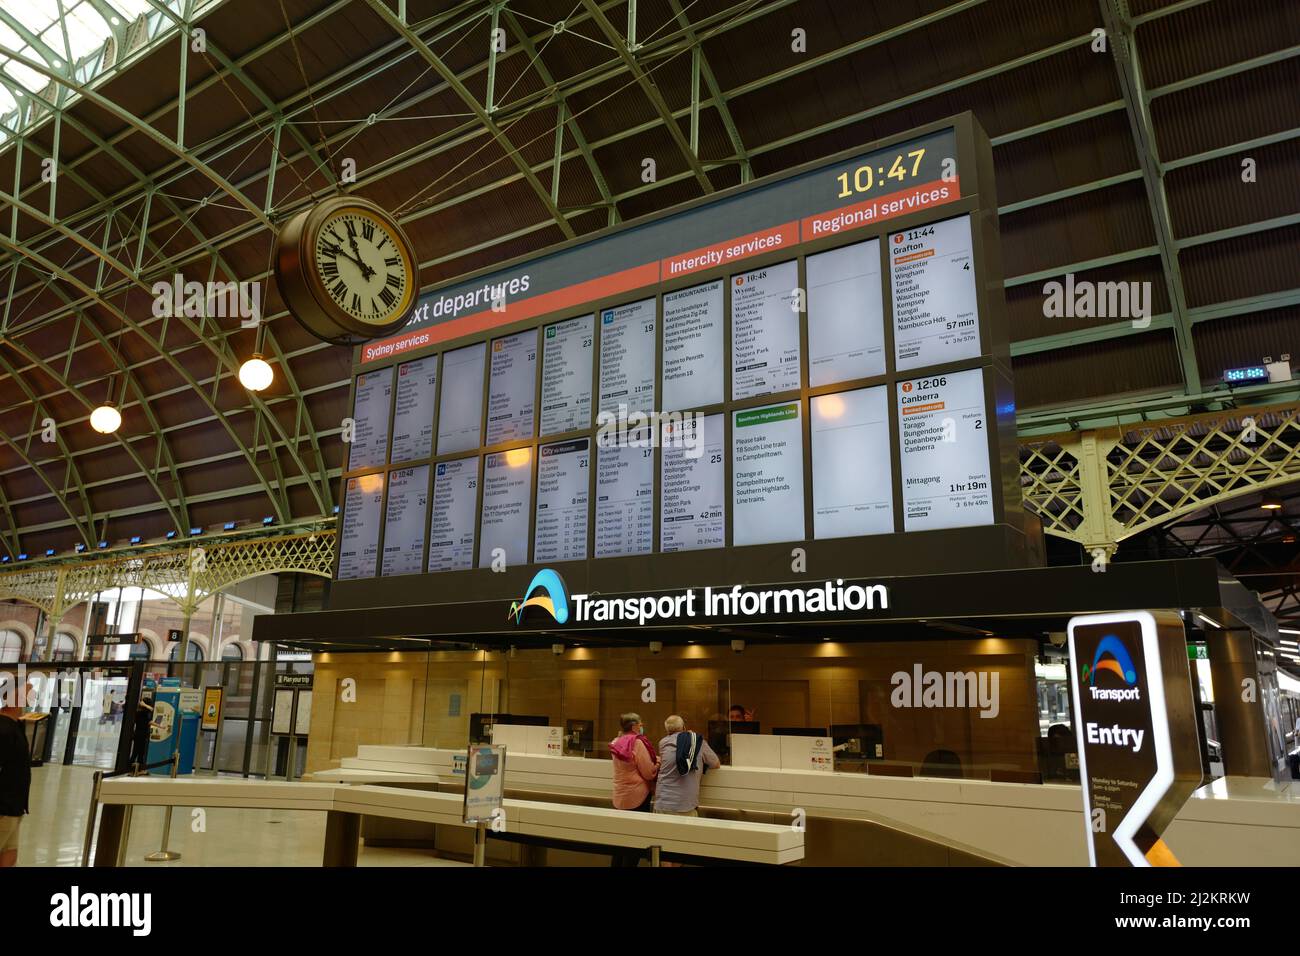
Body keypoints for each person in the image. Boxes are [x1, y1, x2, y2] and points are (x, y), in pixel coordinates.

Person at [609, 712, 658, 867]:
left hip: (619, 797)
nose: (642, 726)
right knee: (635, 840)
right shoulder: (637, 743)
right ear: (634, 725)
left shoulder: (616, 741)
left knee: (619, 841)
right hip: (637, 797)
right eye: (640, 723)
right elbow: (648, 772)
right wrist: (658, 764)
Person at [655, 715, 719, 819]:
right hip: (685, 803)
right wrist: (693, 737)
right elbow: (715, 763)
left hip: (663, 801)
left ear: (667, 731)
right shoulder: (698, 742)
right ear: (683, 727)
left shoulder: (663, 743)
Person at [0, 674, 32, 867]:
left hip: (14, 807)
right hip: (2, 806)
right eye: (27, 691)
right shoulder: (3, 729)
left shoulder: (15, 725)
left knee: (10, 854)